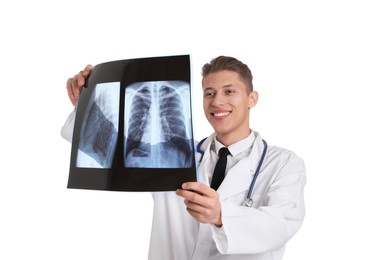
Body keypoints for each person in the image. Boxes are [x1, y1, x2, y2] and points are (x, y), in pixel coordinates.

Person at [62, 56, 306, 260]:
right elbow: (109, 147)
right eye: (209, 93)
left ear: (252, 98)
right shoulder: (174, 154)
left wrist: (221, 216)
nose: (217, 101)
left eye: (229, 91)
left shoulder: (282, 163)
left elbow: (281, 224)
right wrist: (85, 105)